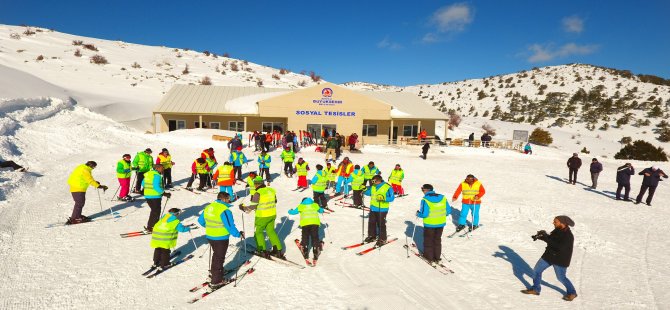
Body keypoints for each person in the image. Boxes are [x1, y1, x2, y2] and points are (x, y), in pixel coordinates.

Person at [521, 216, 577, 302]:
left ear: (562, 223)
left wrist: (547, 238)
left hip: (560, 259)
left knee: (561, 277)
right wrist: (542, 236)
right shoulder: (557, 230)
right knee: (537, 271)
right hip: (548, 256)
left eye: (555, 221)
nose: (553, 223)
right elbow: (551, 240)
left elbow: (559, 247)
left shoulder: (568, 236)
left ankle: (572, 292)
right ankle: (535, 289)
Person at [198, 192, 244, 289]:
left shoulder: (209, 207)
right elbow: (230, 226)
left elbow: (200, 221)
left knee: (216, 255)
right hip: (221, 238)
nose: (229, 200)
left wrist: (210, 227)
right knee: (219, 257)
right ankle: (216, 280)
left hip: (210, 236)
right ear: (223, 199)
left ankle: (215, 272)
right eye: (228, 199)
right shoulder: (224, 210)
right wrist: (238, 234)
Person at [240, 176, 284, 259]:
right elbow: (275, 201)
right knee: (271, 231)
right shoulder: (271, 190)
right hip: (272, 214)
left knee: (258, 233)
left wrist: (243, 207)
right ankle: (278, 250)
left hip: (262, 216)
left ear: (256, 184)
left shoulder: (258, 193)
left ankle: (262, 251)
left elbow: (252, 207)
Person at [416, 184, 451, 266]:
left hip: (430, 224)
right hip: (440, 223)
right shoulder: (442, 197)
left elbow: (424, 214)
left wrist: (418, 214)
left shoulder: (425, 200)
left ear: (426, 190)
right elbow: (448, 211)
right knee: (437, 240)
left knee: (428, 241)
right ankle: (437, 257)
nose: (422, 191)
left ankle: (429, 257)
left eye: (422, 190)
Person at [288, 197, 324, 262]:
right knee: (314, 236)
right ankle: (315, 250)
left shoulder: (301, 206)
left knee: (305, 236)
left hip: (305, 223)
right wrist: (321, 210)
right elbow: (321, 210)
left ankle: (305, 249)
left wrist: (290, 211)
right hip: (315, 223)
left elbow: (293, 212)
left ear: (303, 201)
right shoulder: (314, 205)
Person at [363, 175, 395, 246]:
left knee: (381, 224)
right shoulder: (373, 186)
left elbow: (392, 198)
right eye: (372, 181)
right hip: (373, 208)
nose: (372, 182)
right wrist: (364, 189)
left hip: (382, 209)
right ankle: (372, 236)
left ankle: (382, 238)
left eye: (374, 181)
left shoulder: (387, 187)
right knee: (371, 222)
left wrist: (384, 198)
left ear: (379, 180)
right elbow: (369, 193)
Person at [143, 164, 170, 232]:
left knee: (154, 211)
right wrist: (164, 193)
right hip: (155, 196)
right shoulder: (157, 176)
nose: (163, 169)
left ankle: (150, 226)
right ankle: (152, 227)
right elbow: (156, 187)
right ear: (157, 168)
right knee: (156, 211)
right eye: (162, 168)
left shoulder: (148, 174)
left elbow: (143, 183)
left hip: (147, 195)